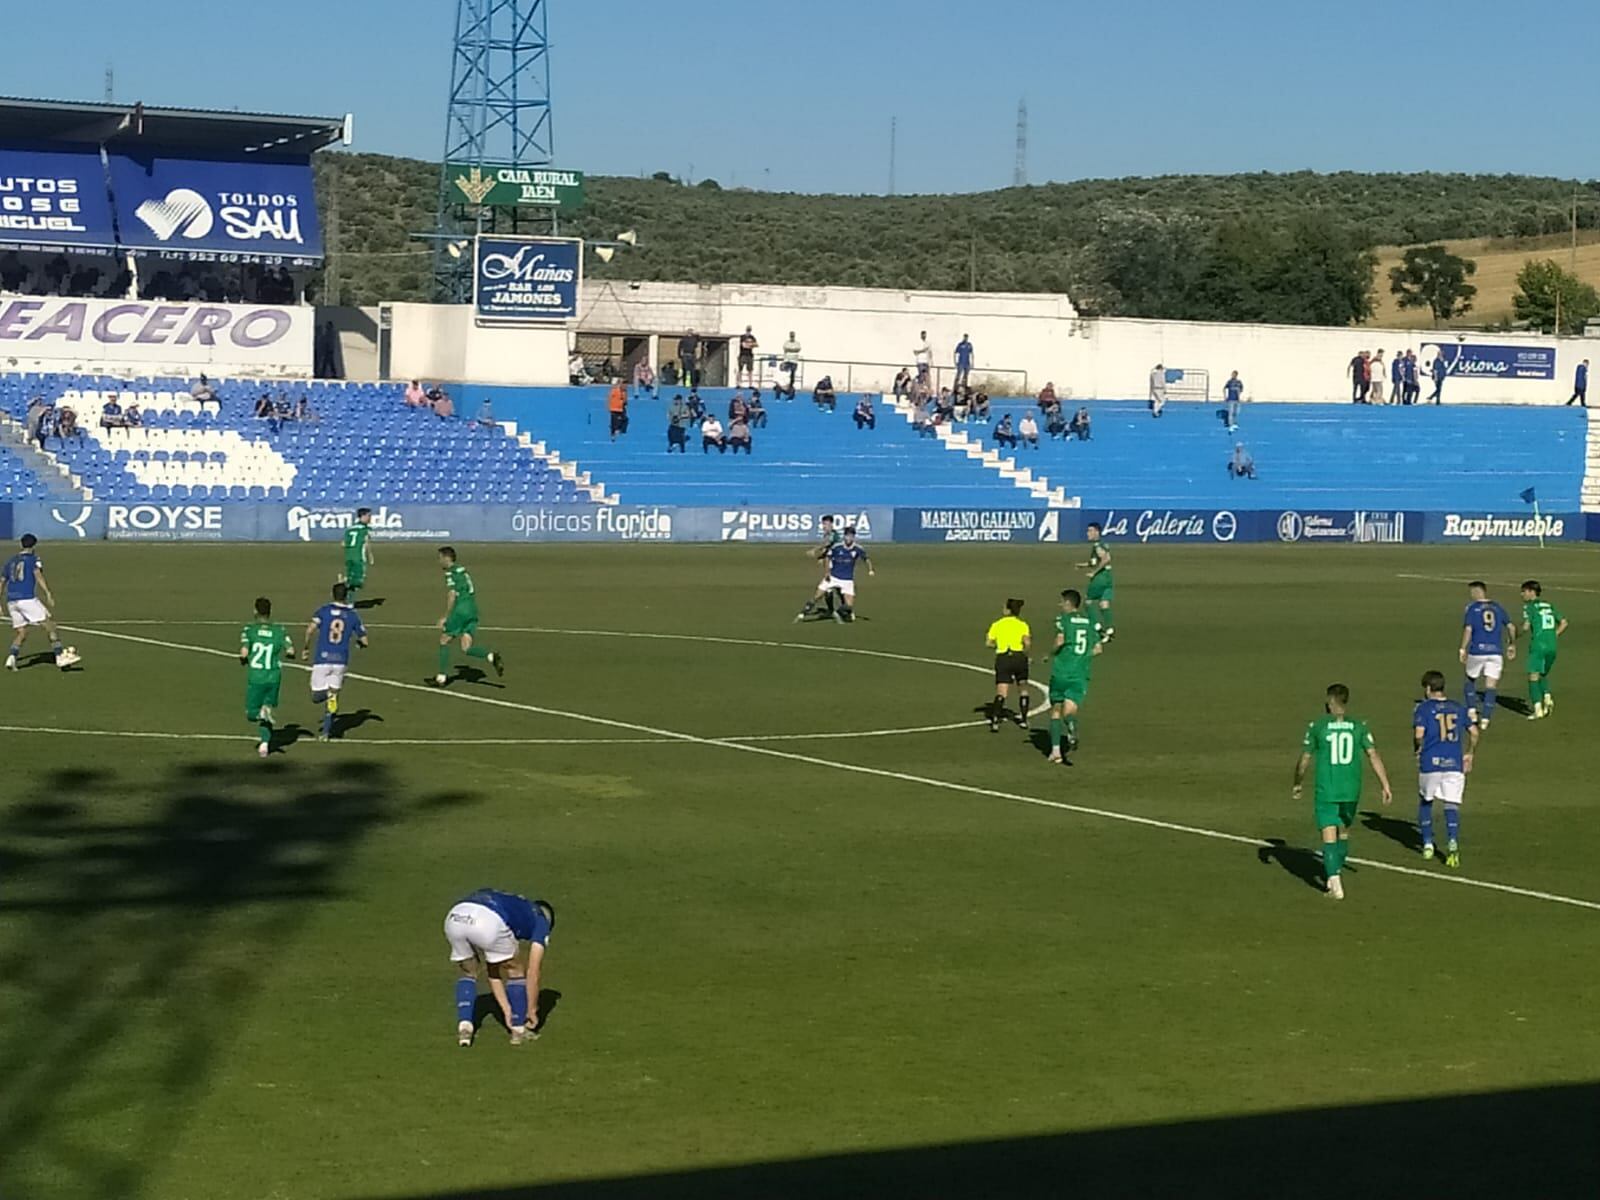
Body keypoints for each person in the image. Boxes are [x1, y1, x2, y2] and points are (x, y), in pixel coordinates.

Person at [1292, 683, 1393, 900]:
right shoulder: (1359, 726)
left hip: (1327, 790)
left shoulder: (1317, 726)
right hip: (1351, 790)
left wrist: (1297, 782)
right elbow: (1373, 755)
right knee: (1343, 832)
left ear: (1330, 702)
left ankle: (1335, 885)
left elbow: (1305, 759)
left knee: (1329, 835)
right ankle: (1334, 873)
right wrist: (1385, 784)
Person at [444, 888, 554, 1047]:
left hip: (456, 916)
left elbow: (493, 971)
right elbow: (533, 971)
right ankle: (519, 1030)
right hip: (488, 920)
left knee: (469, 971)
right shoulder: (541, 920)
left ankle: (465, 1025)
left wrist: (506, 1010)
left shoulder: (516, 906)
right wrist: (532, 1009)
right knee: (515, 970)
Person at [1414, 670, 1478, 869]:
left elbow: (1419, 734)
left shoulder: (1423, 709)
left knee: (1426, 800)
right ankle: (1452, 842)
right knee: (1451, 804)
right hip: (1454, 763)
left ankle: (1427, 844)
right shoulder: (1458, 708)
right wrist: (1469, 753)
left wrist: (1418, 749)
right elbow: (1474, 732)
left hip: (1431, 762)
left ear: (1428, 688)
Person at [304, 583, 369, 742]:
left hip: (323, 659)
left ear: (332, 594)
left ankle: (327, 695)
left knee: (316, 696)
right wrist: (359, 644)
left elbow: (310, 629)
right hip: (341, 660)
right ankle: (326, 733)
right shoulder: (352, 615)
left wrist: (305, 648)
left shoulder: (324, 611)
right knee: (334, 696)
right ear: (346, 596)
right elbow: (365, 640)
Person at [3, 534, 77, 671]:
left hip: (12, 601)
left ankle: (12, 657)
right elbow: (38, 575)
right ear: (34, 546)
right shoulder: (33, 559)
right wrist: (48, 592)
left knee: (22, 632)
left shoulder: (11, 561)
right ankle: (60, 656)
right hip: (27, 598)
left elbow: (2, 581)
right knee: (50, 625)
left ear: (21, 545)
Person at [1047, 589, 1104, 763]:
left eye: (1061, 602)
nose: (1060, 605)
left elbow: (1060, 641)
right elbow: (1098, 649)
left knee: (1056, 709)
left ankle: (1055, 752)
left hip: (1061, 671)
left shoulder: (1063, 620)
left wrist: (1051, 653)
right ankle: (1071, 724)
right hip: (1080, 674)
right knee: (1070, 710)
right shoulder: (1089, 622)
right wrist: (1083, 657)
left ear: (1068, 603)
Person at [435, 546, 504, 686]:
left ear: (447, 558)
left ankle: (441, 678)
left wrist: (446, 616)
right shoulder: (463, 570)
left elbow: (452, 594)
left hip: (461, 610)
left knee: (444, 640)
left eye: (440, 558)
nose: (439, 561)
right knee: (466, 648)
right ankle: (491, 656)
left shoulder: (450, 573)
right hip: (472, 609)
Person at [239, 596, 295, 759]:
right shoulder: (280, 630)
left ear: (255, 611)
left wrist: (243, 659)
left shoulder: (249, 630)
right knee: (267, 707)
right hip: (274, 677)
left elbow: (244, 652)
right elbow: (291, 651)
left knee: (251, 713)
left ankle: (261, 716)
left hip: (256, 677)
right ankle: (264, 745)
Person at [1459, 581, 1515, 731]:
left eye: (1472, 592)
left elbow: (1468, 629)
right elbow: (1510, 626)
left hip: (1477, 651)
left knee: (1470, 680)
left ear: (1477, 592)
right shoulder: (1497, 607)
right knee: (1491, 685)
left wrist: (1463, 648)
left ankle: (1471, 710)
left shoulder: (1472, 608)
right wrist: (1511, 644)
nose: (1471, 595)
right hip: (1496, 652)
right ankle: (1485, 718)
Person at [1520, 580, 1567, 720]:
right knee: (1543, 674)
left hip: (1538, 646)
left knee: (1533, 676)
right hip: (1552, 645)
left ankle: (1537, 709)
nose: (1522, 594)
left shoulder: (1529, 607)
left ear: (1531, 592)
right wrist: (1554, 634)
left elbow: (1525, 627)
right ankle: (1547, 698)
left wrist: (1513, 636)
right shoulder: (1549, 605)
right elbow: (1564, 622)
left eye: (1524, 591)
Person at [984, 598, 1032, 733]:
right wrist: (1026, 655)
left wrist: (998, 645)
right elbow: (1027, 643)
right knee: (1023, 688)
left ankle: (995, 720)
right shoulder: (1022, 625)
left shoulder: (997, 624)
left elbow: (988, 643)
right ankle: (1023, 719)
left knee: (1002, 692)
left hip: (1004, 657)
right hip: (1019, 657)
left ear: (1007, 609)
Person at [808, 525, 873, 622]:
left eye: (851, 536)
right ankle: (814, 609)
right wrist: (826, 570)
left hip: (847, 580)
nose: (848, 538)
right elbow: (828, 555)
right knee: (822, 594)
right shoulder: (837, 547)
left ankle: (839, 612)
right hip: (834, 576)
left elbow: (866, 559)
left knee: (848, 606)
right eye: (847, 536)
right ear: (844, 536)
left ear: (853, 537)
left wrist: (870, 569)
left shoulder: (858, 548)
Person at [794, 515, 844, 621]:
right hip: (831, 563)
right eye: (823, 524)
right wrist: (821, 556)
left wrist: (814, 550)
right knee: (835, 588)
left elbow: (827, 544)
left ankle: (839, 610)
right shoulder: (828, 534)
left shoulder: (833, 535)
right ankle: (839, 610)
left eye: (825, 524)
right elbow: (828, 548)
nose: (824, 526)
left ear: (831, 524)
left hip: (835, 564)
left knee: (829, 587)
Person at [1081, 521, 1114, 640]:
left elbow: (1105, 559)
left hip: (1100, 578)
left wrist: (1093, 573)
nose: (1087, 533)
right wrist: (1083, 565)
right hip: (1108, 577)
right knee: (1104, 603)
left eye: (1090, 531)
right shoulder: (1103, 544)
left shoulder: (1098, 545)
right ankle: (1110, 630)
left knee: (1087, 602)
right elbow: (1095, 561)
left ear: (1096, 532)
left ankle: (1098, 629)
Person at [341, 508, 374, 606]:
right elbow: (366, 542)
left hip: (348, 557)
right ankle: (349, 602)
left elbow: (343, 543)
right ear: (363, 516)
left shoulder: (350, 528)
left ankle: (342, 597)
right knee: (357, 581)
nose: (370, 518)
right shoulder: (365, 529)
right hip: (358, 558)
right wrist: (370, 555)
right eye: (368, 516)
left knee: (349, 578)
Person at [780, 331, 801, 399]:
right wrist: (793, 350)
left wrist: (790, 350)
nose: (792, 337)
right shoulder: (786, 342)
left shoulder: (797, 343)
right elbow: (785, 349)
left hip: (794, 362)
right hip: (787, 361)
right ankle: (784, 389)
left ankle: (790, 390)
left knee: (792, 377)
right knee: (785, 377)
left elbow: (798, 349)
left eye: (793, 336)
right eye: (791, 336)